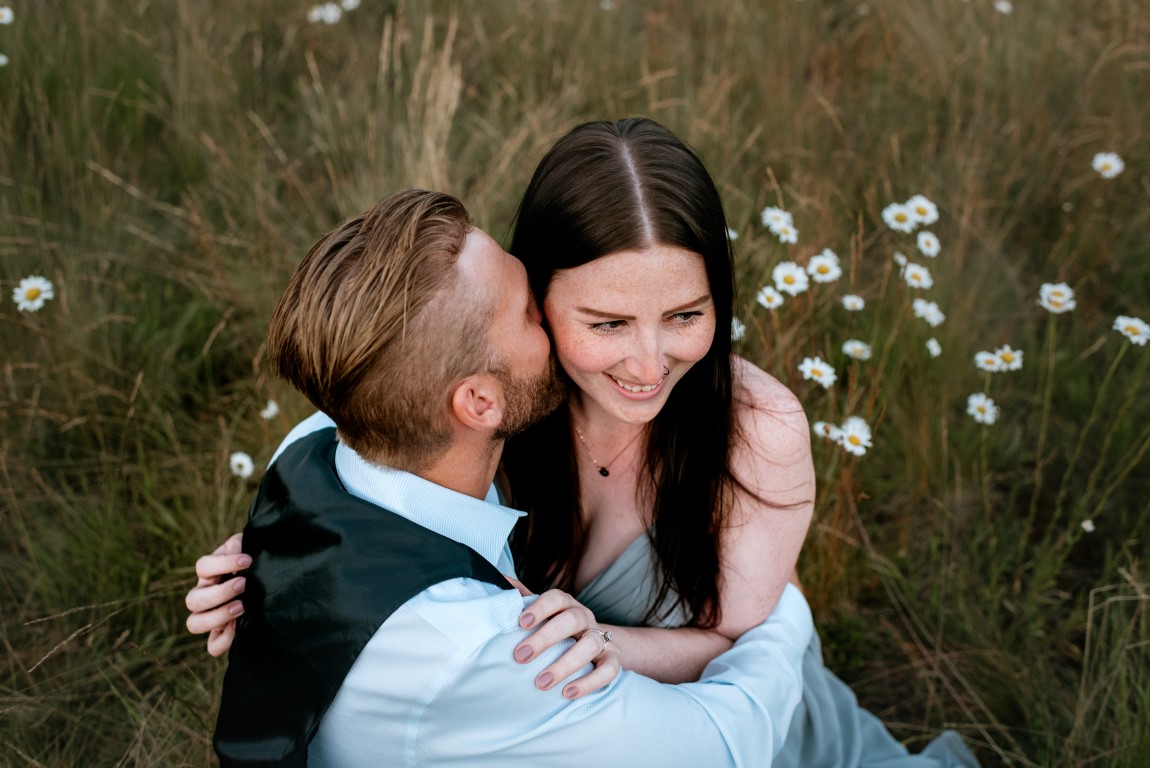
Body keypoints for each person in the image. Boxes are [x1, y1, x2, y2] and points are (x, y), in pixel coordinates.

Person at [190, 119, 980, 766]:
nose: (647, 366)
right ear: (539, 298)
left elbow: (737, 653)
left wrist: (605, 643)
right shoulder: (499, 406)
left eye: (685, 315)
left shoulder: (758, 432)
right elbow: (368, 454)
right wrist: (283, 573)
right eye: (604, 324)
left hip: (759, 725)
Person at [213, 186, 815, 766]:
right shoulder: (497, 655)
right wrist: (788, 613)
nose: (554, 324)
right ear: (478, 403)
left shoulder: (313, 447)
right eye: (532, 314)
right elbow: (717, 749)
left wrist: (276, 572)